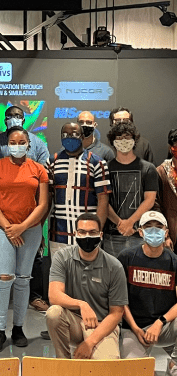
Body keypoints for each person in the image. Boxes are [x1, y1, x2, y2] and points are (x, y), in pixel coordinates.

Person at [0, 105, 50, 314]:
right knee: (2, 267)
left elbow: (42, 190)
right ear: (4, 120)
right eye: (10, 116)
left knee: (28, 268)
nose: (14, 119)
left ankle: (35, 298)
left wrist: (26, 225)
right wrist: (8, 226)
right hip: (3, 221)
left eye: (18, 116)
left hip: (31, 218)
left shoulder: (39, 145)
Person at [46, 213, 128, 359]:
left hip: (102, 325)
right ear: (75, 233)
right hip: (74, 322)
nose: (87, 236)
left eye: (92, 232)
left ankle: (91, 350)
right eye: (82, 232)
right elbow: (54, 295)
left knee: (107, 368)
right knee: (54, 313)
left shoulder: (114, 266)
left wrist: (90, 343)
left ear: (101, 235)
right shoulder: (62, 257)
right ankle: (63, 364)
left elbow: (116, 313)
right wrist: (81, 304)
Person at [117, 211, 177, 375]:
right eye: (148, 227)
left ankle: (174, 362)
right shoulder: (126, 257)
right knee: (135, 372)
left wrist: (160, 323)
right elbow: (119, 300)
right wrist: (136, 329)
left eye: (158, 227)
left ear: (166, 232)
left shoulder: (174, 261)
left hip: (164, 327)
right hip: (135, 329)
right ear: (141, 231)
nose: (154, 231)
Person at [46, 123, 111, 256]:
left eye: (74, 134)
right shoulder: (52, 162)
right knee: (60, 275)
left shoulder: (97, 163)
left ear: (82, 137)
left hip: (87, 235)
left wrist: (96, 232)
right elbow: (47, 200)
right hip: (58, 234)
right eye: (65, 135)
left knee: (89, 275)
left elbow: (103, 200)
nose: (69, 137)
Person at [104, 122, 158, 257]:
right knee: (112, 277)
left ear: (134, 140)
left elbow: (150, 200)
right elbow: (103, 200)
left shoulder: (148, 168)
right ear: (113, 141)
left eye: (127, 137)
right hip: (112, 236)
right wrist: (120, 224)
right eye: (119, 138)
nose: (123, 141)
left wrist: (130, 222)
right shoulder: (105, 169)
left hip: (139, 235)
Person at [155, 129, 177, 250]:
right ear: (170, 147)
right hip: (172, 236)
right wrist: (165, 236)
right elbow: (156, 205)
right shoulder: (161, 172)